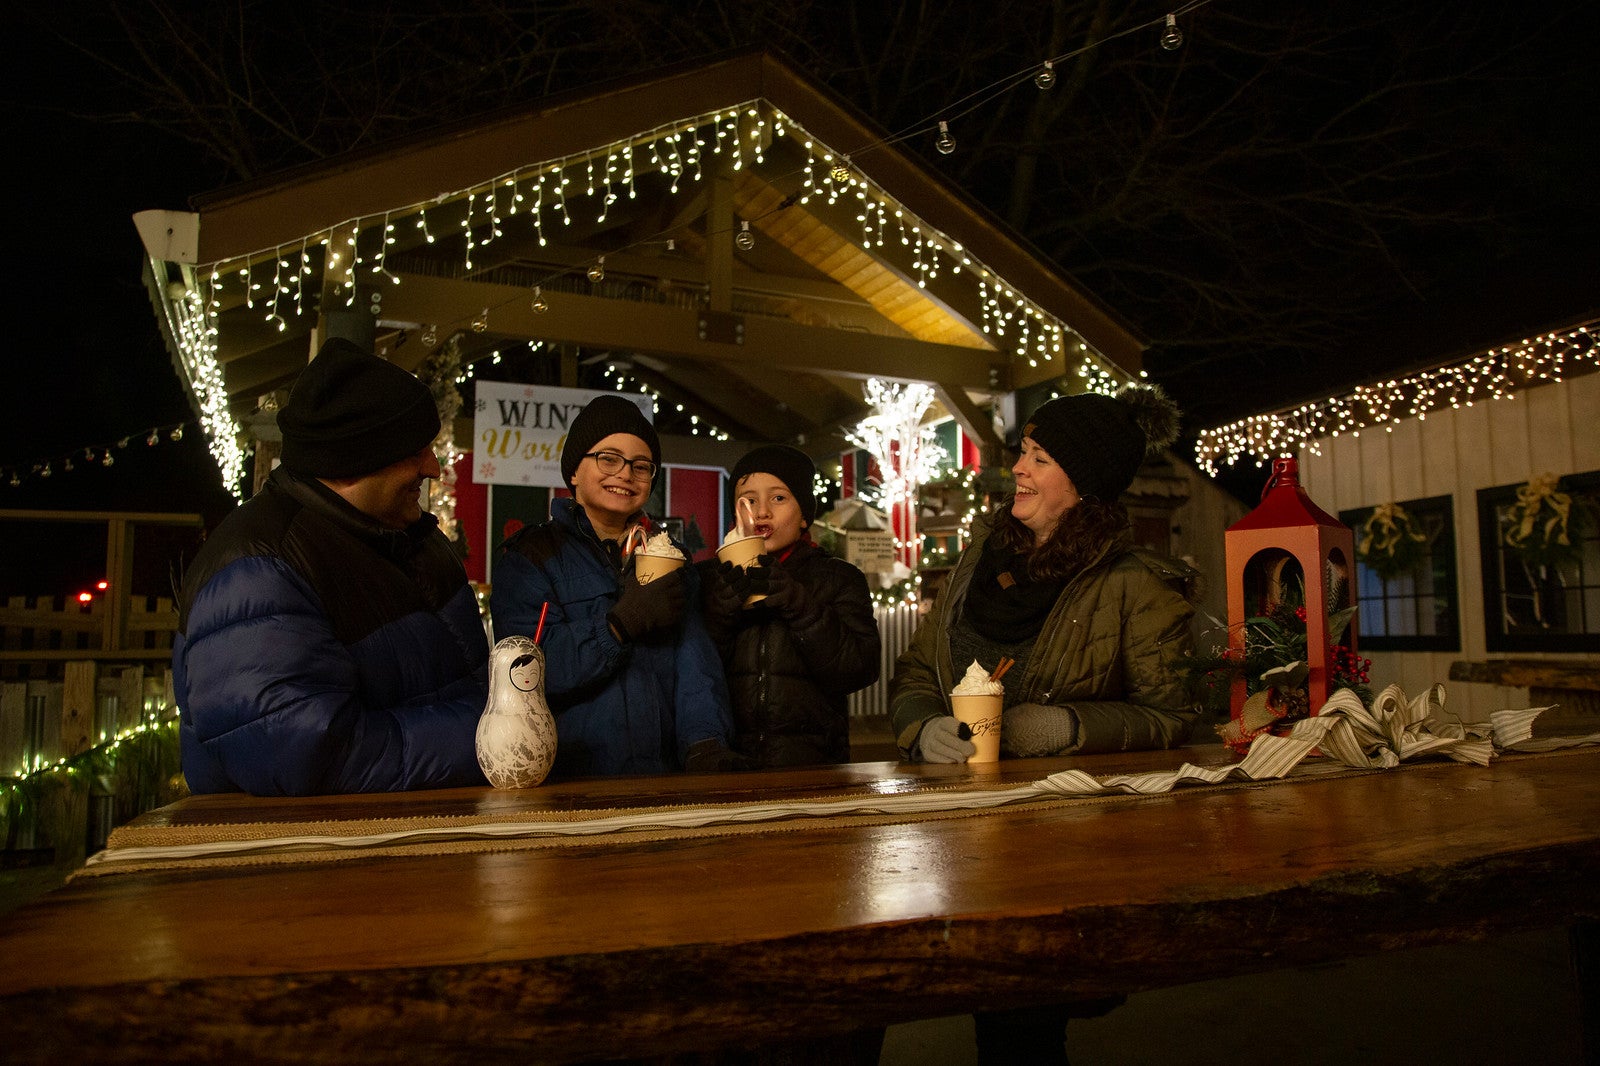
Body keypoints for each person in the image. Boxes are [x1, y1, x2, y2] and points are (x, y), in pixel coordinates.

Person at [888, 383, 1198, 1063]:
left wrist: (1065, 728)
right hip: (958, 834)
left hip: (1057, 848)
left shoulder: (1132, 584)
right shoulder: (978, 563)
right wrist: (918, 728)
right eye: (1023, 452)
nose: (1019, 469)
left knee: (1021, 1023)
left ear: (1084, 486)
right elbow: (915, 674)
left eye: (1041, 458)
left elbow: (1175, 717)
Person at [173, 338, 489, 796]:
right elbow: (307, 752)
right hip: (309, 854)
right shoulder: (258, 568)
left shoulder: (415, 540)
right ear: (349, 464)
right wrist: (489, 738)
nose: (433, 468)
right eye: (413, 450)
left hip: (422, 836)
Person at [490, 395, 736, 778]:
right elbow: (526, 675)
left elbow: (695, 666)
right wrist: (617, 626)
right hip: (568, 783)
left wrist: (705, 745)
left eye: (641, 466)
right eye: (608, 459)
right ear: (574, 471)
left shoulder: (672, 558)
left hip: (662, 780)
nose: (625, 474)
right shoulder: (531, 558)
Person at [698, 444, 880, 768]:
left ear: (804, 516)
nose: (762, 511)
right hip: (728, 766)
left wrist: (801, 606)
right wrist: (720, 612)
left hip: (814, 766)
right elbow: (692, 675)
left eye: (778, 498)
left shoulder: (838, 578)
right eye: (748, 500)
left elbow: (860, 669)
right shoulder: (708, 580)